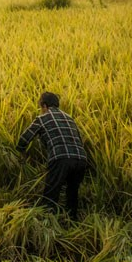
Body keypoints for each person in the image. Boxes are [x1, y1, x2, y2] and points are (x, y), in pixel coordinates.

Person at [16, 91, 89, 220]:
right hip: (81, 159)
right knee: (72, 193)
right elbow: (79, 139)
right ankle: (72, 223)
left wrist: (21, 152)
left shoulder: (42, 118)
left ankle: (48, 226)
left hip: (61, 158)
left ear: (44, 106)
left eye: (40, 107)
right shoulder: (69, 118)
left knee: (51, 194)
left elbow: (24, 139)